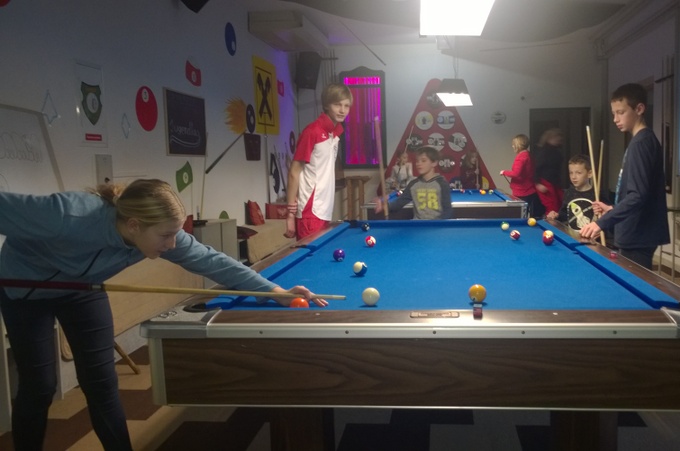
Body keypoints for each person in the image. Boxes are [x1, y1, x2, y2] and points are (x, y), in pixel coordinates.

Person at [0, 179, 325, 451]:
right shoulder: (68, 214)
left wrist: (275, 292)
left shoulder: (157, 231)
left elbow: (212, 261)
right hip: (25, 291)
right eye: (166, 236)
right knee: (40, 386)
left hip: (83, 289)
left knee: (101, 383)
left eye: (175, 234)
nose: (172, 244)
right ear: (134, 225)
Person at [579, 83, 669, 269]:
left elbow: (638, 195)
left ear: (639, 109)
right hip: (638, 232)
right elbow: (640, 192)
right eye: (614, 113)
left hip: (637, 234)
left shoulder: (641, 144)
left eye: (620, 112)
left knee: (635, 284)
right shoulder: (643, 140)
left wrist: (601, 223)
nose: (615, 119)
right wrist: (612, 209)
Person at [285, 82, 353, 240]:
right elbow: (294, 172)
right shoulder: (312, 132)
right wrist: (290, 215)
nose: (342, 110)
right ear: (327, 105)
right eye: (337, 105)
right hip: (310, 211)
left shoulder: (335, 134)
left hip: (324, 210)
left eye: (346, 106)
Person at [375, 146, 452, 219]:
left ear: (434, 163)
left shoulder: (442, 184)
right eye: (417, 161)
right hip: (418, 225)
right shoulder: (413, 184)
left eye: (423, 160)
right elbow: (400, 202)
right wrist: (386, 206)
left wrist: (437, 224)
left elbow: (447, 211)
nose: (419, 163)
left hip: (437, 226)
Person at [547, 154, 609, 231]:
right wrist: (556, 215)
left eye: (578, 173)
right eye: (571, 173)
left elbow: (608, 217)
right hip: (572, 236)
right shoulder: (568, 193)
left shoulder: (598, 193)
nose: (573, 177)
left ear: (589, 174)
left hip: (592, 236)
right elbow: (565, 215)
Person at [499, 134, 538, 218]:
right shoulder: (528, 155)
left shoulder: (520, 157)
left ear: (518, 145)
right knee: (525, 213)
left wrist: (504, 172)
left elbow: (516, 173)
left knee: (518, 215)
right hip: (530, 189)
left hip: (522, 191)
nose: (512, 146)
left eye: (514, 144)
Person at [531, 128, 565, 218]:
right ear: (550, 138)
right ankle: (550, 225)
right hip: (545, 182)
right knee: (552, 207)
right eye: (557, 136)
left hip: (555, 182)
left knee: (560, 205)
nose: (559, 138)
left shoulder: (556, 151)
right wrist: (538, 183)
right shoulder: (543, 152)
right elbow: (536, 168)